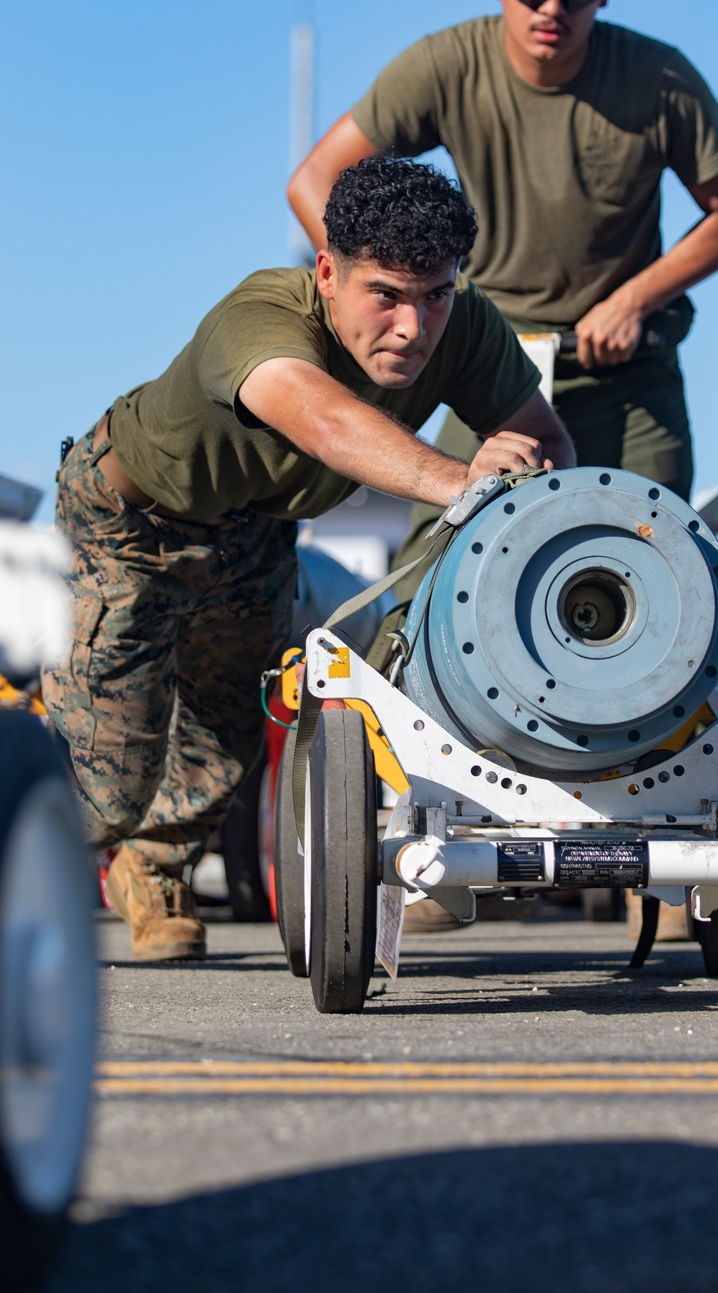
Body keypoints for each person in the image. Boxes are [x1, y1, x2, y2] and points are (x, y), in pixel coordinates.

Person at [43, 157, 573, 962]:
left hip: (254, 534)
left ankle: (157, 876)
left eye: (434, 295)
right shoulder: (259, 317)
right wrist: (464, 480)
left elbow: (547, 438)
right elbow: (326, 422)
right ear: (327, 273)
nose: (412, 327)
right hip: (131, 523)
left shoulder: (463, 326)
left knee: (223, 733)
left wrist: (530, 470)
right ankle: (31, 754)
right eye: (385, 295)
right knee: (103, 791)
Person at [288, 0, 718, 600]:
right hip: (494, 370)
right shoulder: (445, 65)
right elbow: (314, 180)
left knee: (661, 573)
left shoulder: (659, 81)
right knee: (435, 578)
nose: (552, 9)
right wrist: (392, 299)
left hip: (629, 376)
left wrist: (634, 299)